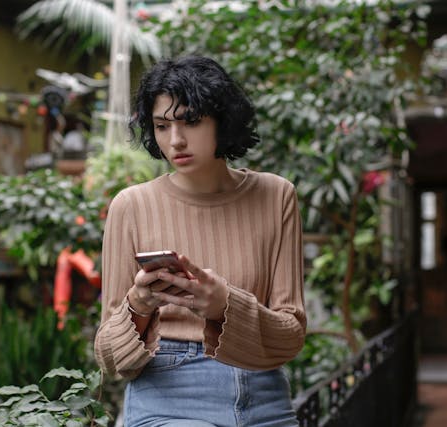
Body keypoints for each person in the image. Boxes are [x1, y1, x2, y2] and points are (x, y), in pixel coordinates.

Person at [94, 55, 306, 427]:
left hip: (264, 394)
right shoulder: (131, 206)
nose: (175, 140)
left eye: (190, 121)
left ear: (221, 120)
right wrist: (139, 304)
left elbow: (290, 337)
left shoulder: (277, 196)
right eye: (161, 126)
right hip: (168, 394)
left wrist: (226, 306)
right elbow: (111, 358)